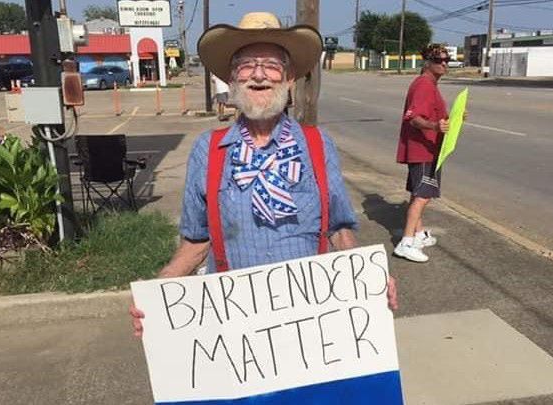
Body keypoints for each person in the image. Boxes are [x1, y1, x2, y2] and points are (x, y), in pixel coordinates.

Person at [130, 12, 397, 337]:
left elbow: (338, 230)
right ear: (232, 79)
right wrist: (159, 293)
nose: (259, 75)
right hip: (235, 322)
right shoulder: (208, 149)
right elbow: (197, 239)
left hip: (311, 316)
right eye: (247, 65)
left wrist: (370, 280)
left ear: (288, 78)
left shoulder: (317, 144)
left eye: (271, 65)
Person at [393, 44, 451, 263]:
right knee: (423, 196)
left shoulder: (429, 85)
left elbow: (436, 116)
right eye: (439, 60)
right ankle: (406, 243)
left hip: (426, 148)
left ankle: (418, 234)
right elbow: (414, 118)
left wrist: (453, 118)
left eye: (447, 60)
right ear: (427, 62)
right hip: (423, 149)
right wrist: (435, 127)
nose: (444, 64)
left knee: (418, 193)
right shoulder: (424, 85)